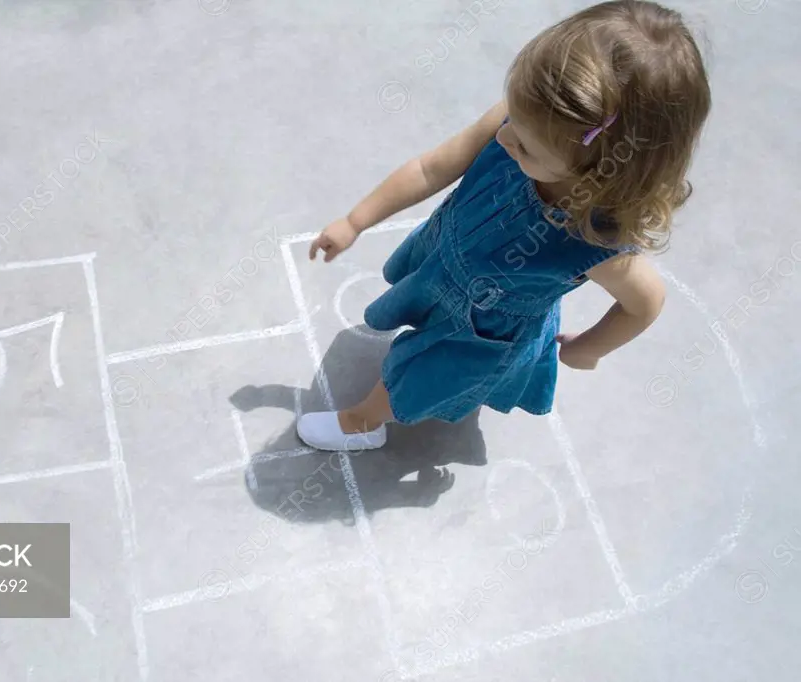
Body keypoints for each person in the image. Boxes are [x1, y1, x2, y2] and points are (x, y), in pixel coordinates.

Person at [297, 0, 710, 452]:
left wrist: (591, 346)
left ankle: (362, 421)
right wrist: (357, 220)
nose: (503, 137)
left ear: (599, 171)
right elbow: (431, 168)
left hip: (480, 329)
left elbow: (645, 303)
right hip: (445, 262)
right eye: (513, 115)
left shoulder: (593, 240)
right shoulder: (530, 123)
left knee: (414, 378)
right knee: (418, 330)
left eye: (526, 147)